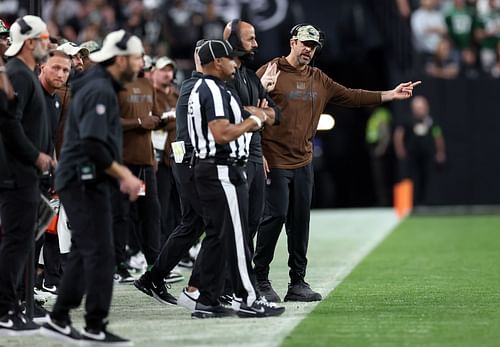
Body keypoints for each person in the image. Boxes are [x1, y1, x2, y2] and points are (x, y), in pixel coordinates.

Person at [254, 24, 421, 303]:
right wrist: (256, 151)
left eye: (313, 46)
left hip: (303, 161)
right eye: (305, 43)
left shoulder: (319, 78)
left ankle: (297, 283)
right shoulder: (271, 70)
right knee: (274, 217)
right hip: (275, 160)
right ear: (292, 42)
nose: (309, 49)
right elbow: (247, 106)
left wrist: (389, 94)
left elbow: (352, 96)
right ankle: (259, 279)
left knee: (299, 222)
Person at [40, 30, 143, 345]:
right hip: (83, 180)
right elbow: (94, 146)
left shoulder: (99, 86)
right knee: (100, 253)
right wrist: (123, 174)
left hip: (83, 179)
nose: (140, 65)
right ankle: (93, 325)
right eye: (137, 58)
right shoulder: (99, 89)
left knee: (90, 252)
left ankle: (60, 317)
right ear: (122, 58)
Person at [188, 39, 284, 318]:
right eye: (231, 59)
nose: (235, 64)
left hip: (212, 170)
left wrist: (256, 114)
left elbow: (263, 114)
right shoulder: (214, 90)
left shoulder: (210, 89)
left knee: (218, 236)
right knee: (237, 237)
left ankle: (207, 299)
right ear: (218, 61)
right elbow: (221, 133)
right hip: (221, 168)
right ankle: (248, 298)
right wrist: (253, 122)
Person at [0, 15, 52, 335]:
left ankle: (12, 305)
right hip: (17, 173)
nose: (48, 43)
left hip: (24, 173)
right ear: (31, 42)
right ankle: (5, 308)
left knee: (21, 242)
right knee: (16, 242)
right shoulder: (18, 73)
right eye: (44, 38)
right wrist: (35, 156)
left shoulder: (22, 73)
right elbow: (8, 122)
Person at [223, 19, 281, 252]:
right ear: (234, 41)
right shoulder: (224, 76)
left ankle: (241, 280)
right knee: (234, 221)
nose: (256, 44)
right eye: (251, 39)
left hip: (256, 154)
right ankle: (227, 282)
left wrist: (256, 113)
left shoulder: (250, 76)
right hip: (234, 156)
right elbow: (231, 112)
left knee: (253, 220)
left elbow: (276, 114)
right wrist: (255, 113)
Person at [394, 95, 446, 205]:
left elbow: (438, 135)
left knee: (425, 178)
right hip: (411, 155)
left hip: (426, 155)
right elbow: (399, 134)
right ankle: (408, 202)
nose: (421, 110)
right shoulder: (408, 120)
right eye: (418, 107)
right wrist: (400, 149)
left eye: (422, 107)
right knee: (409, 178)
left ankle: (423, 202)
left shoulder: (431, 121)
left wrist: (440, 152)